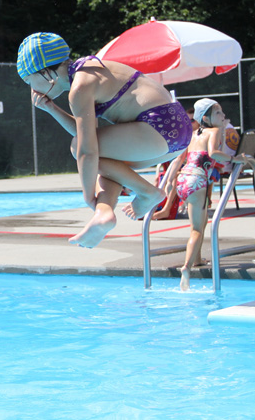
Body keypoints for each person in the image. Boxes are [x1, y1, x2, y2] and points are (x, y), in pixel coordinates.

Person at [17, 32, 192, 248]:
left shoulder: (80, 87)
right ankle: (104, 213)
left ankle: (148, 192)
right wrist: (51, 108)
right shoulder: (89, 68)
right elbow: (86, 132)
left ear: (45, 73)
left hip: (158, 127)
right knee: (109, 164)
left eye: (28, 80)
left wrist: (88, 195)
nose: (30, 89)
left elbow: (86, 150)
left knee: (80, 148)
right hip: (176, 130)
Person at [163, 98, 238, 291]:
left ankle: (196, 259)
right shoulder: (214, 131)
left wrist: (170, 184)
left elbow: (179, 158)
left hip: (183, 180)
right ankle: (186, 268)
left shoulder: (193, 134)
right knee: (197, 229)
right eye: (218, 113)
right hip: (197, 180)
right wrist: (235, 159)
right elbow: (213, 154)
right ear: (205, 117)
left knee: (199, 224)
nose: (223, 116)